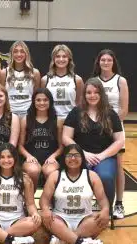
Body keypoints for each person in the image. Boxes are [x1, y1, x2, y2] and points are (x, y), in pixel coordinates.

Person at [62, 77, 124, 208]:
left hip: (104, 157)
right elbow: (66, 137)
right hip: (81, 156)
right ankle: (78, 208)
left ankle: (106, 210)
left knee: (106, 176)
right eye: (89, 92)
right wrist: (83, 154)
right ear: (84, 95)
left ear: (101, 94)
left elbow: (119, 140)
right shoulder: (76, 112)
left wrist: (102, 156)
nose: (92, 95)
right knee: (77, 175)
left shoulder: (110, 113)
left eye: (96, 92)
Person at [40, 144, 109, 244]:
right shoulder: (55, 175)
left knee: (104, 220)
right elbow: (44, 199)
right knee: (45, 218)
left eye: (76, 155)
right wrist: (45, 209)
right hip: (60, 219)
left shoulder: (91, 175)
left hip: (85, 219)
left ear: (82, 158)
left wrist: (105, 210)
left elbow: (103, 200)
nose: (73, 158)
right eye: (69, 155)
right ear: (64, 158)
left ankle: (65, 240)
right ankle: (81, 243)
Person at [92, 49, 129, 219]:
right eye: (103, 60)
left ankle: (119, 203)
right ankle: (98, 199)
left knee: (117, 166)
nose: (106, 63)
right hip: (95, 129)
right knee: (96, 164)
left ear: (113, 62)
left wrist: (109, 126)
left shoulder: (120, 81)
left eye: (109, 60)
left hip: (114, 129)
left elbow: (123, 109)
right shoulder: (93, 81)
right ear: (98, 62)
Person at [19, 88, 63, 191]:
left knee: (51, 171)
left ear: (50, 101)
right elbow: (20, 146)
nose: (42, 103)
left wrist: (54, 156)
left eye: (45, 100)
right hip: (32, 158)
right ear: (33, 102)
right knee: (33, 170)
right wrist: (28, 156)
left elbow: (61, 147)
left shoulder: (58, 121)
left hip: (50, 158)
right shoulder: (26, 120)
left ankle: (50, 201)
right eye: (38, 100)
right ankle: (30, 200)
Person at [41, 44, 84, 122]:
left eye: (64, 56)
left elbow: (79, 103)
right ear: (53, 59)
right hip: (51, 120)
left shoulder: (77, 80)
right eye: (57, 56)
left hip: (71, 120)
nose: (61, 59)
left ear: (69, 59)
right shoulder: (45, 79)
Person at [0, 41, 40, 118]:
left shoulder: (35, 73)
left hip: (28, 113)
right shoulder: (4, 73)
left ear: (26, 54)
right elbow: (1, 95)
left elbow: (36, 96)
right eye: (15, 52)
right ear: (11, 54)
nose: (19, 54)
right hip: (10, 113)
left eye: (22, 51)